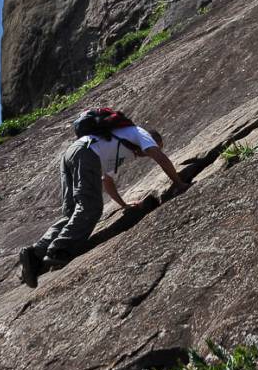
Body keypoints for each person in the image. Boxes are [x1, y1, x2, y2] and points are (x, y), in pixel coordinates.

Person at [19, 120, 187, 288]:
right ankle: (59, 249)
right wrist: (179, 183)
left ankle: (34, 253)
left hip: (71, 153)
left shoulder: (117, 145)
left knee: (72, 214)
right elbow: (160, 157)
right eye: (158, 145)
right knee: (91, 207)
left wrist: (124, 204)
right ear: (153, 139)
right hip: (85, 153)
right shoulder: (140, 133)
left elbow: (106, 180)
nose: (153, 150)